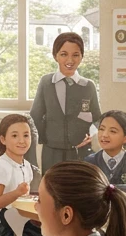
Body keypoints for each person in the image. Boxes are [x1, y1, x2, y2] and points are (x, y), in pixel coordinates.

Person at [30, 32, 100, 173]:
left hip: (80, 152)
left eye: (75, 55)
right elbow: (35, 116)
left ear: (81, 57)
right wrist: (46, 139)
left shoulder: (88, 86)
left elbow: (98, 118)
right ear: (55, 56)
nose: (70, 60)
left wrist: (91, 134)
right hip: (52, 151)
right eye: (64, 54)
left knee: (78, 188)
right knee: (53, 188)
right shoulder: (46, 82)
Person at [84, 110, 126, 195]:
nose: (104, 135)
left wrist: (109, 188)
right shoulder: (90, 161)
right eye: (101, 129)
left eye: (112, 131)